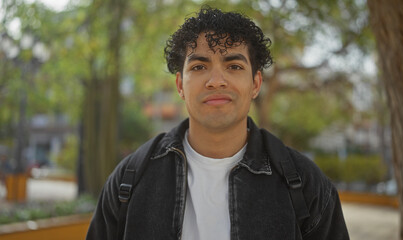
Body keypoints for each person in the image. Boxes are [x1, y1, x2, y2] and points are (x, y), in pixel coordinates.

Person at [86, 7, 349, 240]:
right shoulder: (129, 179)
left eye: (233, 66)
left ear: (256, 84)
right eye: (199, 67)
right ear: (180, 85)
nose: (216, 80)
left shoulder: (306, 184)